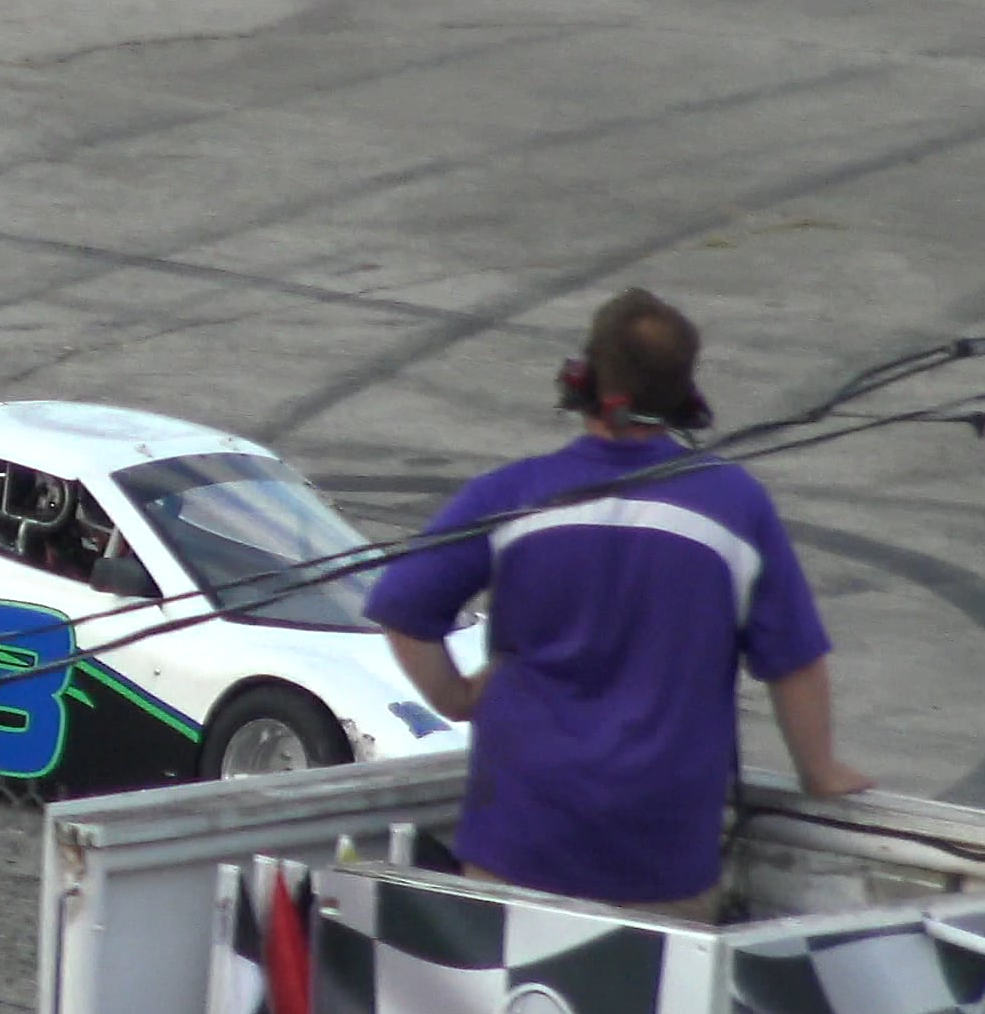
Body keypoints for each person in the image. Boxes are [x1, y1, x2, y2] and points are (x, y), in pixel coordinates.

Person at [364, 287, 871, 919]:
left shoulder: (512, 495)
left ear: (582, 380)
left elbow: (403, 607)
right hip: (661, 854)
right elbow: (794, 662)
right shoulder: (735, 507)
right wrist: (819, 773)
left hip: (521, 834)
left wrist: (458, 697)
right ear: (688, 398)